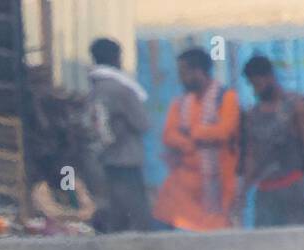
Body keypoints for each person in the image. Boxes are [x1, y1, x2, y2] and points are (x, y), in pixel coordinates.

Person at [152, 48, 241, 232]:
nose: (181, 79)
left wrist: (193, 133)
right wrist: (188, 142)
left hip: (217, 186)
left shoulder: (227, 97)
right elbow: (168, 135)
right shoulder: (181, 102)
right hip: (184, 189)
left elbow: (224, 131)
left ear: (198, 71)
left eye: (183, 73)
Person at [233, 54, 304, 227]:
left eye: (258, 84)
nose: (256, 90)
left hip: (293, 188)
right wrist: (242, 194)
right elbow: (251, 157)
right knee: (266, 247)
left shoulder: (296, 106)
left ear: (269, 77)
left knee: (298, 242)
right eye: (252, 86)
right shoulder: (252, 116)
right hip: (265, 191)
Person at [86, 37, 152, 232]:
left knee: (117, 214)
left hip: (107, 159)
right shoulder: (122, 89)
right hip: (127, 159)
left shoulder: (95, 89)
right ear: (116, 58)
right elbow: (143, 124)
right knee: (138, 218)